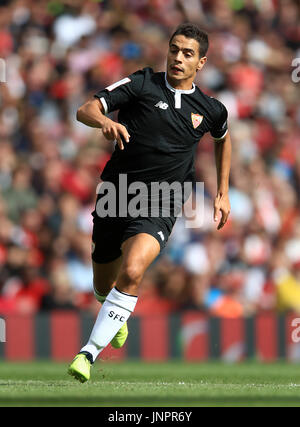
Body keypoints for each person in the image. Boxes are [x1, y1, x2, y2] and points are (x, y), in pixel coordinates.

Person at [68, 23, 231, 382]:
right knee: (102, 285)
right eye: (174, 49)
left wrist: (222, 191)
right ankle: (114, 312)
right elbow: (85, 110)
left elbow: (222, 138)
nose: (178, 57)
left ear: (201, 62)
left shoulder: (211, 108)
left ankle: (88, 354)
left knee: (134, 270)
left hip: (162, 200)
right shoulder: (142, 84)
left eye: (188, 53)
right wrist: (104, 122)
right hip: (116, 194)